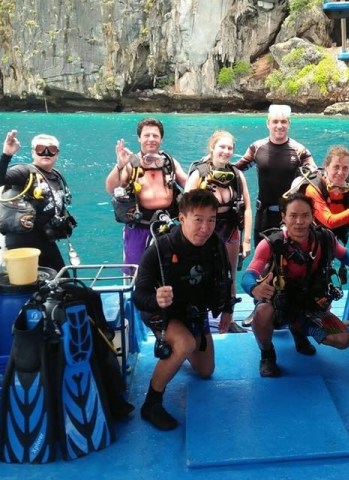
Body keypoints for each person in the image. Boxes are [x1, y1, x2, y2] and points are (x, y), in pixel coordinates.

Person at [241, 193, 349, 377]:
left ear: (313, 216)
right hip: (279, 307)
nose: (299, 222)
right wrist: (254, 288)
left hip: (310, 304)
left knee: (343, 339)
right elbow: (248, 275)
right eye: (293, 216)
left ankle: (299, 330)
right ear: (283, 216)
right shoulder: (271, 244)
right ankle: (267, 353)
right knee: (262, 312)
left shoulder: (325, 239)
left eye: (305, 215)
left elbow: (344, 254)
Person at [132, 189, 236, 430]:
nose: (205, 227)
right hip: (164, 313)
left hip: (193, 312)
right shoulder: (161, 249)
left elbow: (227, 277)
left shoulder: (215, 246)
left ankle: (182, 347)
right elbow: (139, 296)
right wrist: (157, 299)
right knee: (185, 343)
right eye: (198, 219)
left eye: (211, 220)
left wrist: (228, 308)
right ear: (182, 218)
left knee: (205, 371)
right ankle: (151, 404)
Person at [185, 130, 252, 333]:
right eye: (221, 147)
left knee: (229, 274)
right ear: (212, 148)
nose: (226, 151)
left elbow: (247, 208)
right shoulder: (200, 173)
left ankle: (228, 318)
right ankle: (198, 316)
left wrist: (246, 239)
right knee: (201, 273)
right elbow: (185, 206)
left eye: (229, 148)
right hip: (204, 232)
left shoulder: (237, 175)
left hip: (230, 230)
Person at [105, 117, 187, 271]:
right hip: (139, 228)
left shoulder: (169, 162)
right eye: (147, 135)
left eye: (155, 136)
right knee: (136, 270)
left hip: (166, 226)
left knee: (170, 269)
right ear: (139, 138)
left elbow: (188, 184)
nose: (151, 139)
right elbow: (112, 188)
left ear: (161, 140)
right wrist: (120, 165)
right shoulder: (131, 164)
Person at [0, 130, 76, 273]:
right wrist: (6, 154)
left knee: (63, 282)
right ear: (33, 153)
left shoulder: (56, 175)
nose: (46, 153)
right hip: (23, 243)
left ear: (57, 154)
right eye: (40, 149)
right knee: (31, 287)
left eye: (52, 150)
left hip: (46, 240)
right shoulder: (24, 172)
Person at [234, 104, 317, 247]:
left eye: (284, 122)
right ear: (268, 123)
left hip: (290, 216)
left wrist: (298, 181)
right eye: (275, 121)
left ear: (289, 124)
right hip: (264, 215)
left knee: (289, 260)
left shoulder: (299, 150)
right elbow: (236, 168)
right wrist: (212, 161)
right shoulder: (257, 147)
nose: (279, 126)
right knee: (263, 259)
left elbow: (314, 172)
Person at [304, 145, 349, 283]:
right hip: (309, 246)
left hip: (332, 245)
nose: (340, 172)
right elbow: (329, 221)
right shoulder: (313, 189)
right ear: (326, 167)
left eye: (345, 168)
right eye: (336, 167)